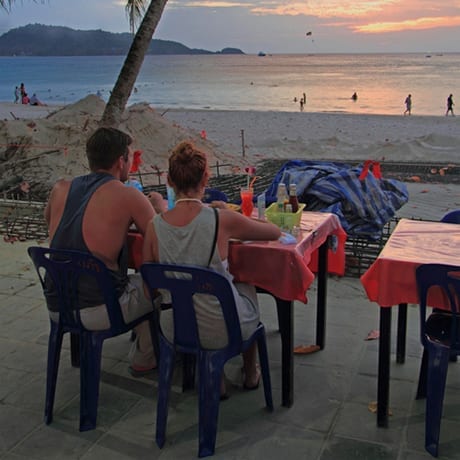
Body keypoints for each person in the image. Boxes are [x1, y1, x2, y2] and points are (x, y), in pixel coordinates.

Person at [142, 140, 281, 397]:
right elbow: (273, 232)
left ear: (169, 181)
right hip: (221, 328)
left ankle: (213, 373)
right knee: (244, 287)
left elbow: (148, 286)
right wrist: (223, 214)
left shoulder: (154, 226)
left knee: (195, 291)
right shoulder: (221, 219)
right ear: (206, 180)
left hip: (174, 327)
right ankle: (250, 372)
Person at [44, 127, 166, 376]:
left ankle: (138, 340)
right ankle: (145, 356)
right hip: (100, 309)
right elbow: (161, 241)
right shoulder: (129, 195)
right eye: (130, 158)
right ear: (121, 161)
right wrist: (159, 207)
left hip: (57, 305)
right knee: (155, 286)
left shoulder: (60, 188)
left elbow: (54, 229)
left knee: (131, 283)